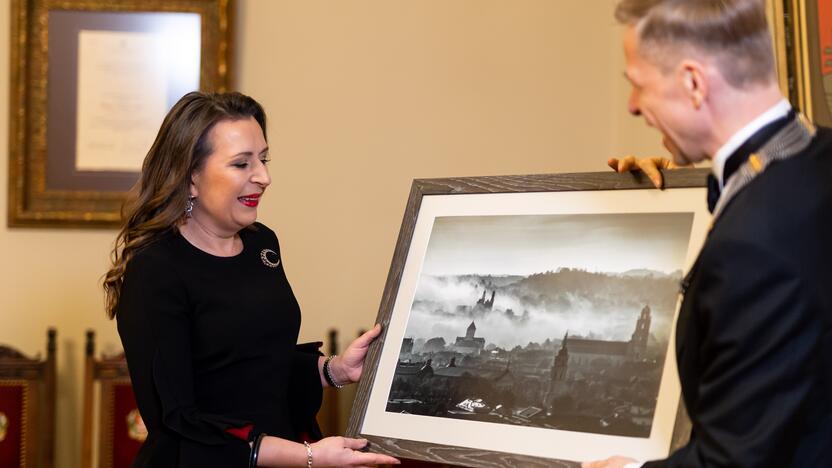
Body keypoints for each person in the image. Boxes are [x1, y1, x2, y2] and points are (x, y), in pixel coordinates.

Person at [585, 0, 832, 467]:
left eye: (637, 85)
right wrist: (661, 195)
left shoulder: (752, 248)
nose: (633, 107)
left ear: (694, 83)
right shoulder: (811, 160)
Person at [103, 91, 400, 467]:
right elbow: (179, 421)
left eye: (263, 159)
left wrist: (335, 369)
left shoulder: (263, 244)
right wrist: (308, 456)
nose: (264, 177)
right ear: (191, 177)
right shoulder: (155, 270)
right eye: (242, 163)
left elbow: (255, 367)